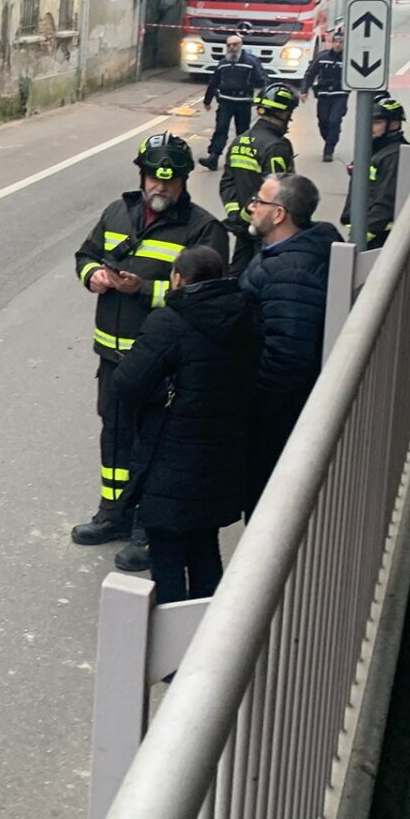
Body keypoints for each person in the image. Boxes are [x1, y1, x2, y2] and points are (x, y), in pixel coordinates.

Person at [72, 132, 229, 571]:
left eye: (171, 181)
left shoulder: (203, 229)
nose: (160, 189)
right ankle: (114, 513)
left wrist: (143, 290)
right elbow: (84, 255)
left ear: (183, 181)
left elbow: (206, 298)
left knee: (153, 446)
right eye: (153, 180)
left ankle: (147, 528)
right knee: (116, 436)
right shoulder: (116, 213)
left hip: (165, 366)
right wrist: (93, 277)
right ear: (142, 177)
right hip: (113, 358)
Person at [112, 245, 257, 604]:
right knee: (205, 546)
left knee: (167, 553)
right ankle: (209, 633)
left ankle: (174, 650)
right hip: (223, 456)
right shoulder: (246, 317)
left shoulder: (170, 323)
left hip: (171, 457)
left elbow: (128, 384)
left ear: (178, 278)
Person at [239, 172, 342, 511]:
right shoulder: (291, 253)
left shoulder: (290, 272)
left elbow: (288, 357)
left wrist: (253, 406)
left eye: (260, 201)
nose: (252, 207)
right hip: (279, 413)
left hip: (274, 418)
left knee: (268, 503)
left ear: (279, 213)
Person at [218, 82, 298, 276]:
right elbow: (279, 193)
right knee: (264, 276)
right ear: (282, 113)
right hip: (267, 230)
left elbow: (227, 182)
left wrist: (237, 215)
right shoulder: (276, 147)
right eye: (289, 112)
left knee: (237, 273)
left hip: (243, 227)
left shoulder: (240, 140)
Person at [340, 92, 410, 249]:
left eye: (376, 122)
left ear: (394, 124)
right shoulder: (375, 149)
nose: (369, 127)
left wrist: (360, 239)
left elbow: (386, 203)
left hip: (379, 238)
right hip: (366, 231)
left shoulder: (394, 156)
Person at [201, 33, 267, 169]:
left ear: (241, 46)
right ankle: (214, 157)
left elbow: (262, 81)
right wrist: (207, 100)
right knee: (221, 128)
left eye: (235, 45)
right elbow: (214, 82)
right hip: (226, 101)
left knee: (242, 132)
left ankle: (240, 160)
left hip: (243, 102)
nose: (232, 48)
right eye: (229, 45)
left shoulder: (251, 62)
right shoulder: (223, 63)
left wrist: (263, 100)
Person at [303, 26, 348, 162]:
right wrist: (304, 90)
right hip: (323, 95)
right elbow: (310, 74)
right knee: (323, 121)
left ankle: (329, 149)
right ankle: (330, 138)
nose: (338, 45)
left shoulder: (348, 59)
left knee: (334, 121)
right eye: (336, 42)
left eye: (341, 42)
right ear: (332, 43)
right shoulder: (322, 57)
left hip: (340, 95)